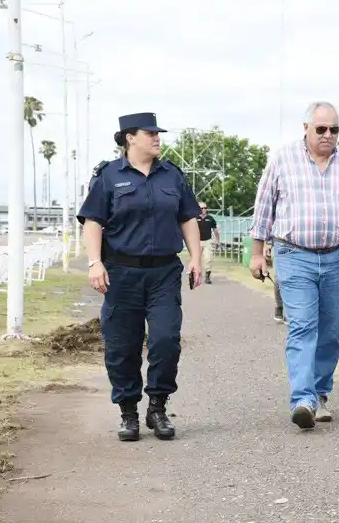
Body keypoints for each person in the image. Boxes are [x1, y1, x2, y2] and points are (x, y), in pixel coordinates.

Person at [248, 101, 339, 430]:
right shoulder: (282, 158)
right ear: (305, 128)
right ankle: (302, 399)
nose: (327, 135)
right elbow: (264, 205)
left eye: (334, 129)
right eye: (320, 128)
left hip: (337, 256)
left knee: (331, 332)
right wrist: (256, 251)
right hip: (294, 254)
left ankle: (320, 393)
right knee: (303, 326)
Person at [77, 112, 203, 442]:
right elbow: (92, 221)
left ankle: (158, 407)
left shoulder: (172, 175)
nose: (158, 138)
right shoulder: (108, 176)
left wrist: (196, 259)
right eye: (150, 133)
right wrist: (94, 262)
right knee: (122, 345)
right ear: (130, 137)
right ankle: (129, 412)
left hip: (163, 272)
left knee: (165, 340)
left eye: (158, 133)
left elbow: (188, 218)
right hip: (121, 272)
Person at [196, 201, 220, 284]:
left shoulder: (210, 218)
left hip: (207, 241)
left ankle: (207, 277)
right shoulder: (195, 218)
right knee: (196, 259)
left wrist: (218, 241)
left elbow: (215, 230)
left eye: (205, 208)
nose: (203, 209)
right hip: (197, 242)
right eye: (201, 208)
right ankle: (195, 276)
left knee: (208, 259)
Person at [264, 238, 286, 323]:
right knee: (278, 277)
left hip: (297, 248)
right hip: (278, 245)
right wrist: (265, 245)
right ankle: (279, 306)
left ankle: (289, 311)